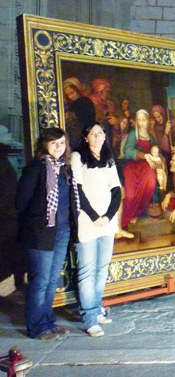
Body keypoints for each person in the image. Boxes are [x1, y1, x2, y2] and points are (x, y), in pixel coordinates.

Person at [15, 127, 79, 341]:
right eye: (53, 143)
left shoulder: (66, 169)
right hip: (40, 233)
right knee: (40, 281)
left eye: (62, 143)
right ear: (44, 144)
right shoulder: (36, 168)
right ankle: (36, 327)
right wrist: (35, 225)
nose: (58, 147)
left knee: (52, 280)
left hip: (61, 232)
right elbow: (21, 202)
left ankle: (48, 323)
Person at [71, 122, 122, 337]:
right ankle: (90, 318)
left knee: (102, 269)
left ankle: (96, 307)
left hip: (107, 222)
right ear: (85, 137)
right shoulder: (77, 157)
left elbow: (117, 190)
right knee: (86, 272)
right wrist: (94, 216)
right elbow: (77, 190)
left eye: (100, 133)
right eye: (93, 133)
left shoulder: (109, 160)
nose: (97, 136)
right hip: (87, 221)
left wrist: (108, 216)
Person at [121, 109, 159, 228]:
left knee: (151, 183)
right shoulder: (133, 134)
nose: (141, 123)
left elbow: (156, 151)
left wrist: (155, 157)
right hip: (132, 165)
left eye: (144, 120)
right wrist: (143, 155)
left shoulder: (151, 137)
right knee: (130, 194)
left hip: (147, 165)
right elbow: (127, 151)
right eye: (139, 121)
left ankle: (137, 212)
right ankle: (129, 214)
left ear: (148, 121)